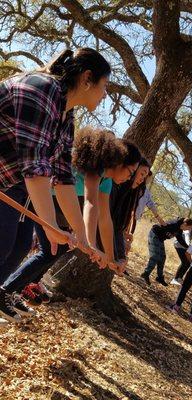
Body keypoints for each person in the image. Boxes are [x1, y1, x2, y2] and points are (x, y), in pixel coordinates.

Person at [0, 47, 111, 322]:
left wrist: (82, 238)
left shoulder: (66, 115)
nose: (105, 94)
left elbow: (62, 179)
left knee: (15, 245)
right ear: (87, 78)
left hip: (8, 184)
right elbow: (35, 172)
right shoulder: (41, 91)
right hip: (9, 183)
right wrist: (51, 228)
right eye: (104, 86)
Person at [0, 128, 141, 321]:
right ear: (119, 161)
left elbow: (104, 218)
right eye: (131, 172)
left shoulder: (106, 181)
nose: (131, 178)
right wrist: (89, 243)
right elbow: (90, 204)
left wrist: (109, 257)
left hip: (53, 205)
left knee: (39, 248)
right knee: (18, 246)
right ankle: (7, 290)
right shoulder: (97, 169)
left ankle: (10, 289)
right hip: (36, 196)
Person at [110, 158, 151, 264]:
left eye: (145, 177)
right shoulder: (111, 187)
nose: (142, 179)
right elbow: (105, 224)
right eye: (142, 174)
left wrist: (121, 257)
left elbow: (117, 229)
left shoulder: (130, 195)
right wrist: (115, 256)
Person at [141, 218, 192, 286]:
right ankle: (145, 274)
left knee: (163, 257)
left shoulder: (179, 230)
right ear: (185, 224)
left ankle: (159, 277)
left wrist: (188, 247)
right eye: (189, 227)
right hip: (154, 234)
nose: (189, 229)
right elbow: (160, 225)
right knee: (155, 256)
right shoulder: (174, 224)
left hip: (160, 239)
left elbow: (180, 240)